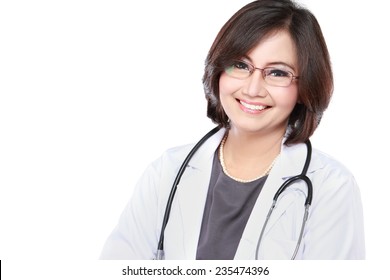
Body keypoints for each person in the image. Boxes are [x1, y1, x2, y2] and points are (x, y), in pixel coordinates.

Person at [100, 0, 365, 260]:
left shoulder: (331, 187)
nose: (252, 89)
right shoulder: (167, 172)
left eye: (278, 73)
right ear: (218, 70)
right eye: (240, 65)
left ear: (305, 86)